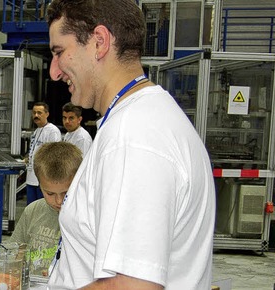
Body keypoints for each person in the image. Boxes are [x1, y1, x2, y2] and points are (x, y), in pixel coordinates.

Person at [46, 0, 215, 289]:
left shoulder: (134, 135)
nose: (54, 71)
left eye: (59, 52)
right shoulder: (143, 119)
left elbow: (133, 285)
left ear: (99, 42)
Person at [7, 141, 82, 278]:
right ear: (39, 185)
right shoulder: (33, 211)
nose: (59, 201)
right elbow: (15, 252)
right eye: (50, 193)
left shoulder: (87, 218)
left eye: (66, 193)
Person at [24, 102, 61, 204]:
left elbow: (55, 155)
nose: (36, 115)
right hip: (31, 178)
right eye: (34, 113)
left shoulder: (52, 131)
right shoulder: (36, 131)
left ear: (47, 114)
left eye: (39, 113)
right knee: (32, 209)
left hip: (43, 180)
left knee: (43, 211)